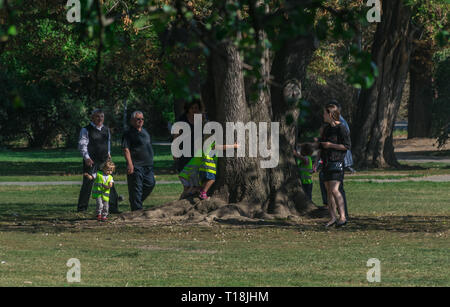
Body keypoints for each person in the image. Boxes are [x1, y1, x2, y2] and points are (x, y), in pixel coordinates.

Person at [77, 109, 120, 213]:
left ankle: (113, 207)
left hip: (104, 161)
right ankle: (82, 208)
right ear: (92, 118)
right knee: (88, 183)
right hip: (91, 160)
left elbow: (108, 143)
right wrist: (86, 157)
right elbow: (82, 145)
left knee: (109, 182)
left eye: (102, 116)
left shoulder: (106, 129)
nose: (100, 119)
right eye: (97, 116)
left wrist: (109, 153)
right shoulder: (86, 129)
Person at [315, 103, 351, 227]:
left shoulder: (341, 128)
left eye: (325, 113)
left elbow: (346, 146)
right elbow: (321, 146)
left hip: (337, 163)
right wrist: (316, 163)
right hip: (326, 163)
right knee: (328, 191)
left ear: (330, 114)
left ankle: (343, 216)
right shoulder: (326, 129)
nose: (323, 116)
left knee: (335, 190)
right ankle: (332, 217)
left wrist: (331, 145)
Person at [122, 111, 156, 211]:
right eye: (138, 119)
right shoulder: (128, 133)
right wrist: (130, 164)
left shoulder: (145, 131)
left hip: (148, 165)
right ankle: (137, 210)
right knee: (136, 188)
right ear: (132, 120)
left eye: (142, 119)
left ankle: (136, 202)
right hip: (136, 165)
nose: (140, 121)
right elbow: (125, 149)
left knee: (150, 183)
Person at [172, 99, 204, 173]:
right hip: (184, 151)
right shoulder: (182, 119)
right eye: (191, 108)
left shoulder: (201, 119)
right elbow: (176, 137)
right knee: (185, 174)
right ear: (188, 109)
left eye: (196, 108)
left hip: (197, 151)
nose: (194, 110)